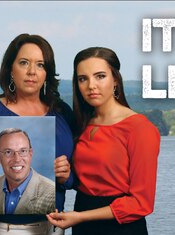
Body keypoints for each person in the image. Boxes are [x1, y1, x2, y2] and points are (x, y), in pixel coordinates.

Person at [0, 33, 75, 234]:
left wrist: (67, 178)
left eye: (40, 65)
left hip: (53, 227)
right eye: (24, 63)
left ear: (47, 72)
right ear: (11, 69)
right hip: (2, 228)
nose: (32, 71)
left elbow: (78, 174)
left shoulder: (62, 112)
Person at [46, 47, 160, 234]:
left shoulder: (139, 128)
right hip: (81, 225)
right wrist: (67, 177)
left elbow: (141, 203)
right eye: (83, 79)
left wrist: (81, 216)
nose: (91, 85)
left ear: (115, 79)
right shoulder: (81, 124)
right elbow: (88, 182)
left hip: (120, 228)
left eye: (100, 76)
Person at [0, 128, 55, 215]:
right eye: (8, 152)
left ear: (30, 154)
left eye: (23, 151)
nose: (17, 159)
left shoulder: (52, 194)